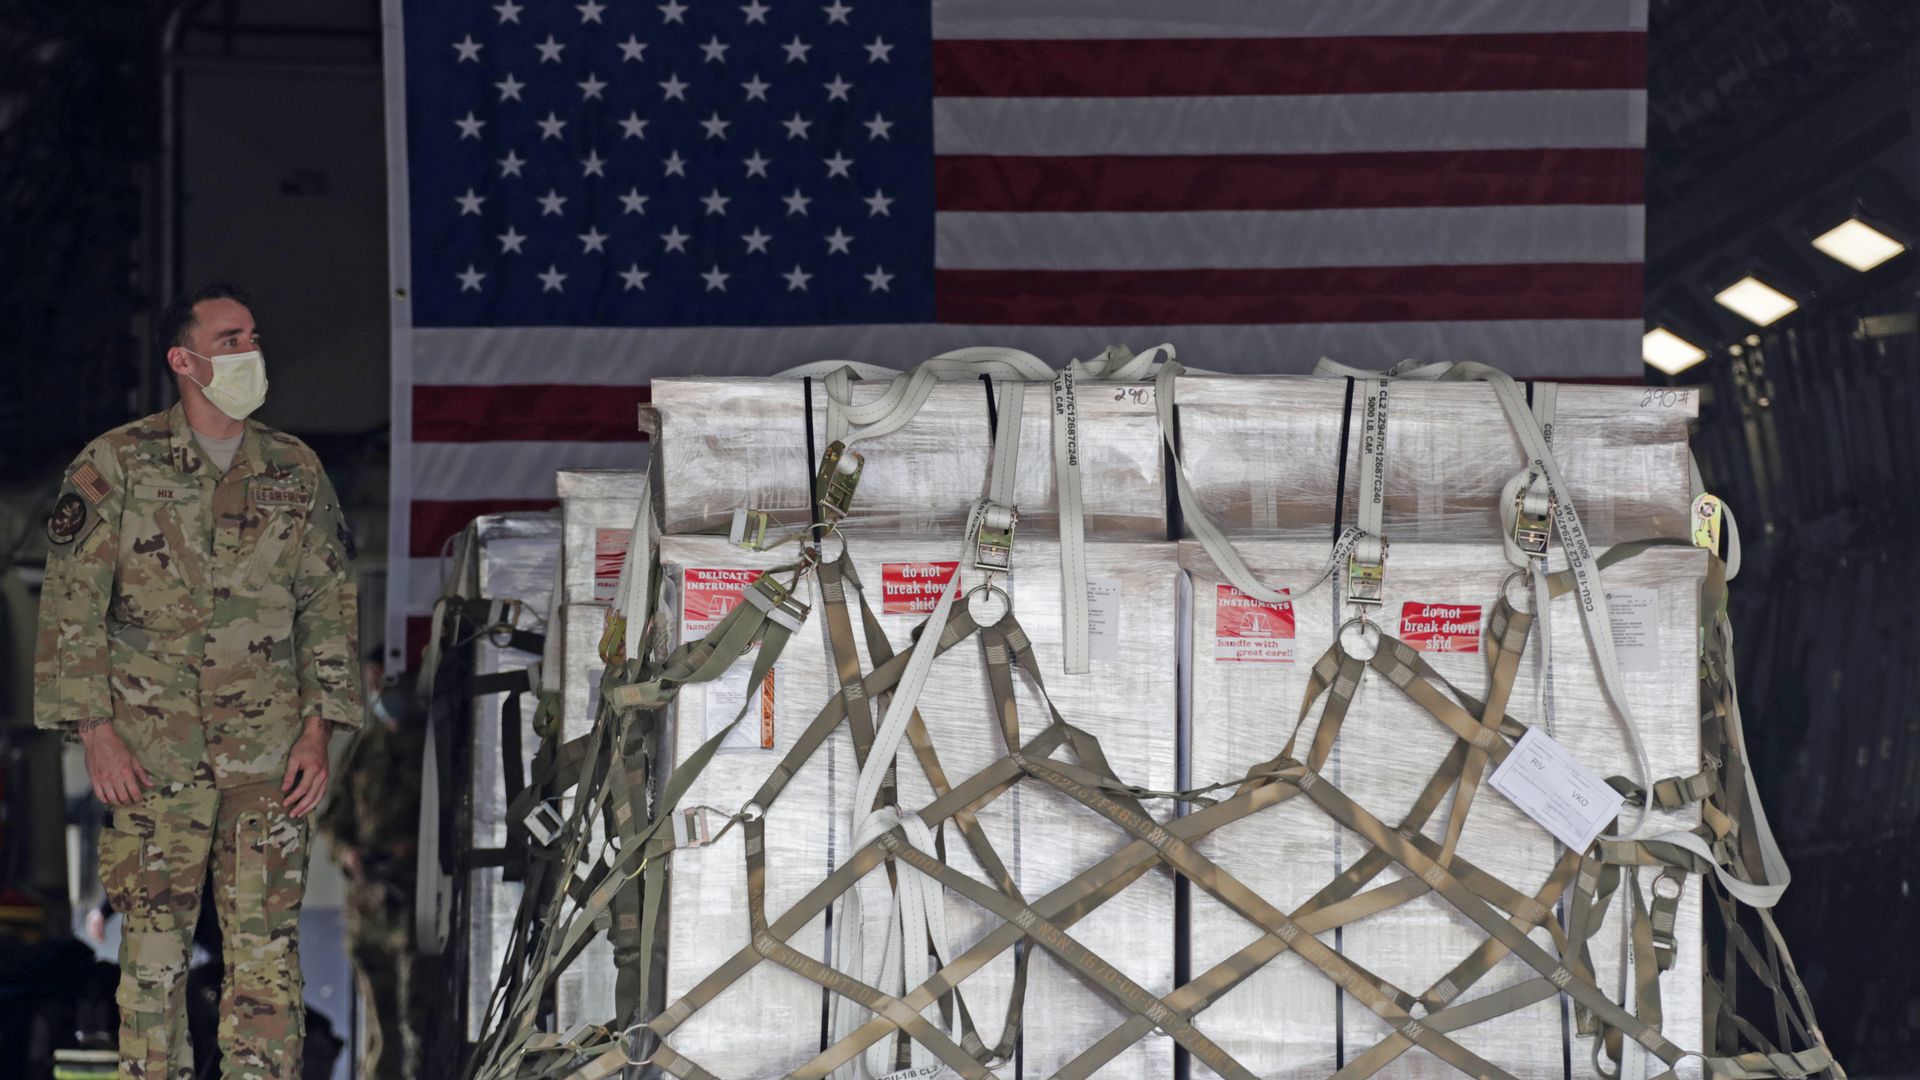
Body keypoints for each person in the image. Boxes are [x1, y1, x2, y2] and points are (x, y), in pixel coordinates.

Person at [34, 281, 361, 1079]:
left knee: (266, 959)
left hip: (268, 755)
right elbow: (73, 607)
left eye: (252, 336)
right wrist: (96, 735)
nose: (250, 352)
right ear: (184, 360)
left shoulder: (294, 468)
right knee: (151, 959)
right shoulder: (116, 462)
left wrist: (321, 731)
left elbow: (327, 603)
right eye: (229, 340)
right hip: (151, 753)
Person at [320, 651, 429, 1080]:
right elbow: (333, 820)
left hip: (417, 903)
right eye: (373, 683)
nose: (379, 693)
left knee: (417, 1020)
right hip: (367, 907)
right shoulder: (365, 747)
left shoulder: (430, 745)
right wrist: (347, 854)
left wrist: (410, 850)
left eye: (385, 682)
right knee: (380, 1026)